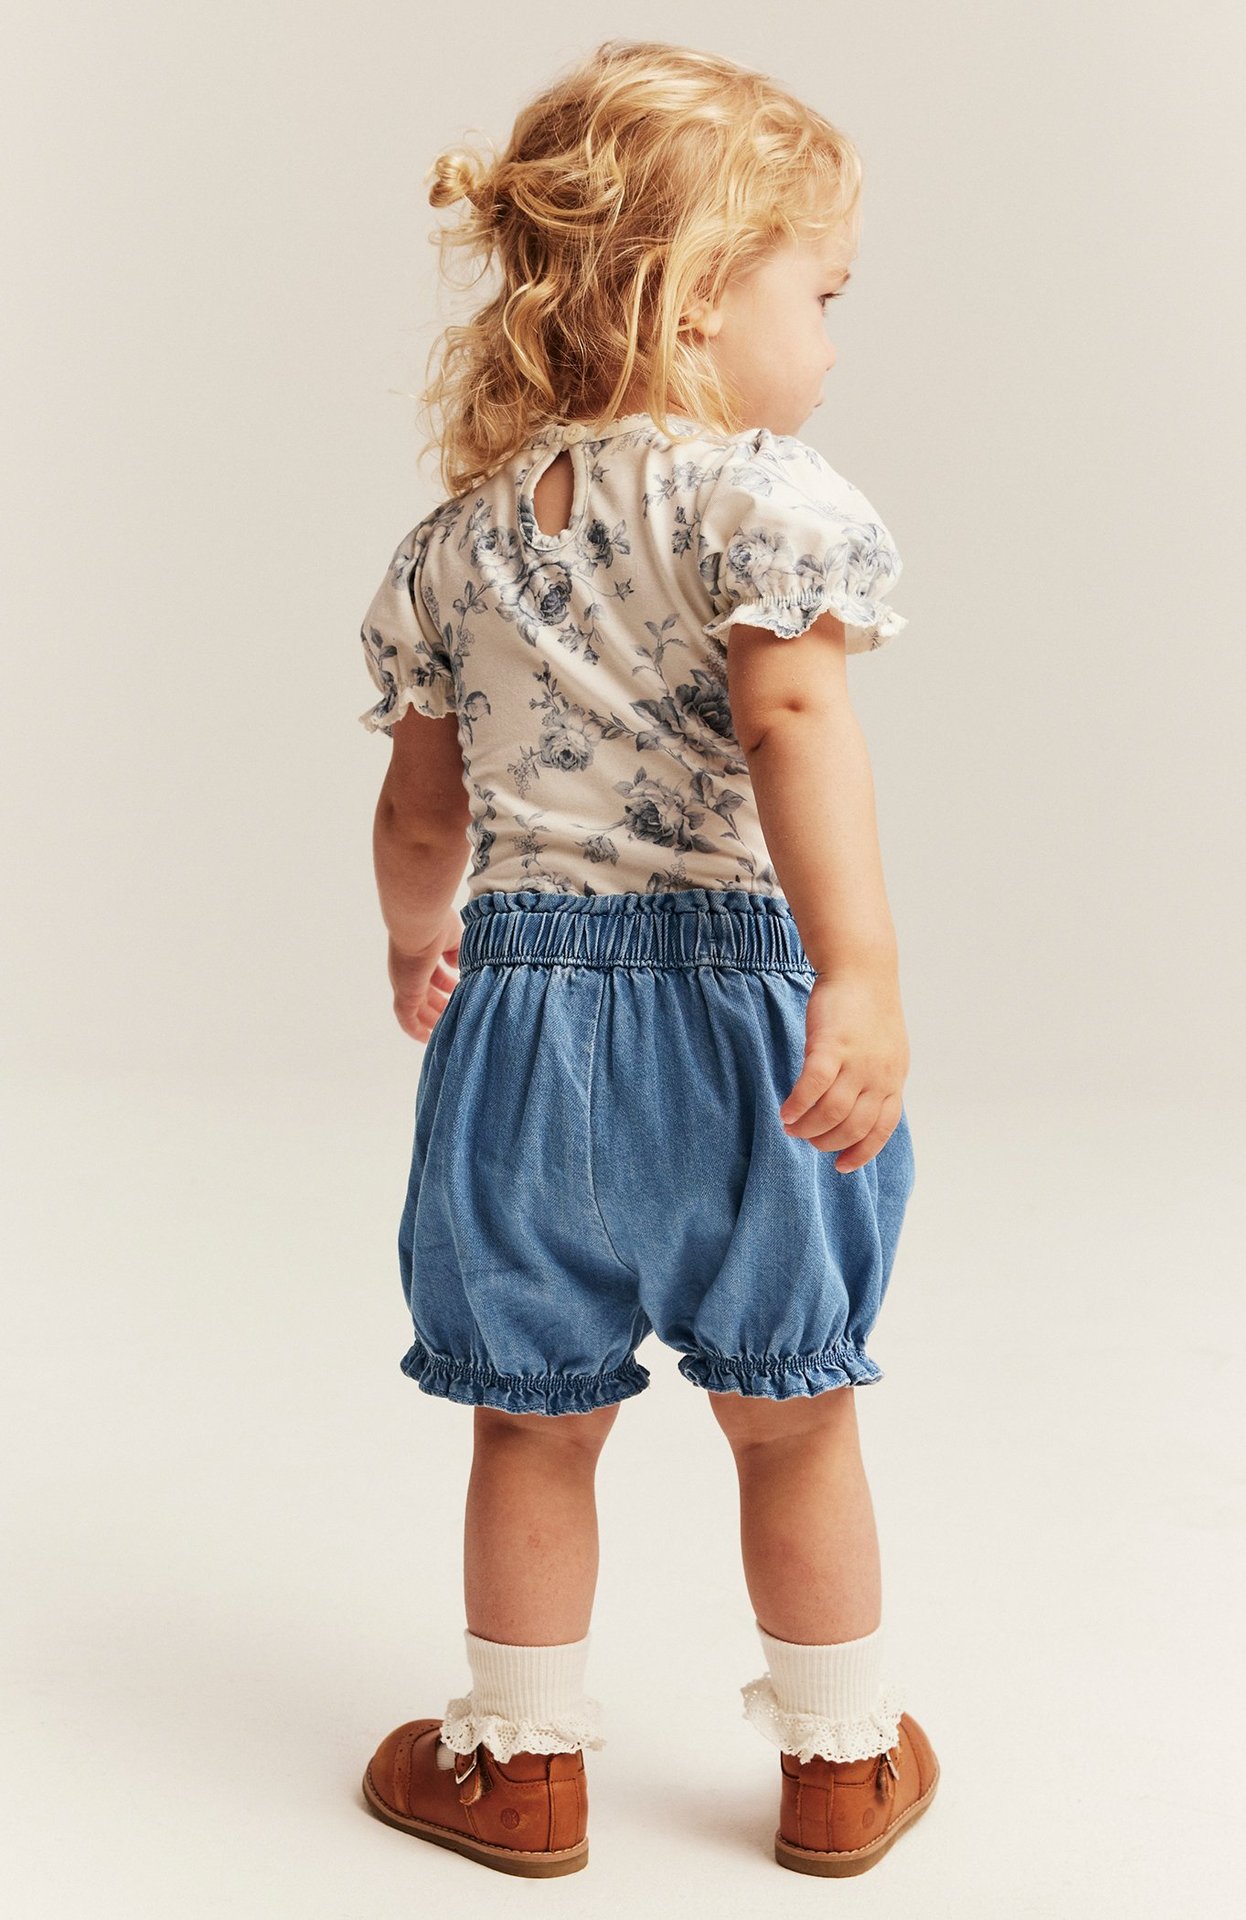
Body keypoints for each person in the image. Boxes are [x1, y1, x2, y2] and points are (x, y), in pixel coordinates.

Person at [355, 37, 939, 1880]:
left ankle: (519, 1768)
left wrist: (419, 940)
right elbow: (793, 725)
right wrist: (859, 972)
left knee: (532, 1423)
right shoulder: (760, 502)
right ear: (697, 299)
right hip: (733, 1021)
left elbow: (421, 815)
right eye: (819, 296)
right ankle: (841, 1762)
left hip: (521, 1024)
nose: (830, 344)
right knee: (793, 1414)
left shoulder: (451, 550)